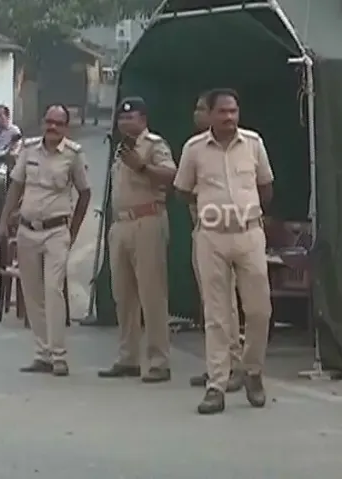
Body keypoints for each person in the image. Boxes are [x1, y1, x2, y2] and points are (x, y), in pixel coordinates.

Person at [173, 88, 274, 415]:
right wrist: (212, 209)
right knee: (216, 315)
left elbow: (266, 186)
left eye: (234, 111)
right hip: (212, 236)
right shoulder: (194, 149)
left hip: (249, 233)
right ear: (210, 115)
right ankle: (216, 385)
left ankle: (252, 371)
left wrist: (244, 211)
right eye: (223, 112)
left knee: (259, 310)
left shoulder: (254, 144)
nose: (229, 117)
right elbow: (182, 191)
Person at [0, 104, 92, 376]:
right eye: (48, 122)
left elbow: (84, 194)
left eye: (58, 123)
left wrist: (72, 231)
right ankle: (43, 353)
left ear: (66, 127)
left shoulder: (73, 155)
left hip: (56, 232)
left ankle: (59, 356)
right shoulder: (29, 150)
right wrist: (3, 224)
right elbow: (16, 188)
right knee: (33, 293)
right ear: (42, 123)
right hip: (27, 231)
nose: (52, 127)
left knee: (53, 291)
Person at [97, 97, 176, 383]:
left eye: (132, 118)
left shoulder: (153, 145)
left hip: (148, 220)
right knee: (123, 296)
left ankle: (159, 361)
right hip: (121, 224)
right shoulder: (120, 151)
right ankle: (127, 357)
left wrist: (142, 166)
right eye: (122, 118)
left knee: (152, 293)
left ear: (143, 120)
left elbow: (171, 176)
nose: (126, 123)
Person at [188, 92, 245, 393]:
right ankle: (217, 365)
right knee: (211, 303)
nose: (197, 114)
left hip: (230, 231)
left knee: (226, 304)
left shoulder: (242, 147)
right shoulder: (195, 150)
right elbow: (184, 189)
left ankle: (234, 363)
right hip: (204, 230)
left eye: (201, 109)